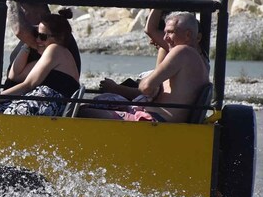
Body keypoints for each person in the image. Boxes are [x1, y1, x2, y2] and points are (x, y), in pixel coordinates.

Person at [81, 11, 209, 122]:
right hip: (157, 117)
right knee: (98, 103)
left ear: (188, 35)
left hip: (153, 120)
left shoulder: (182, 51)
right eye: (165, 32)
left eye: (170, 32)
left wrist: (148, 85)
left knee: (82, 112)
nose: (165, 38)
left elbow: (146, 87)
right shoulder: (198, 59)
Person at [0, 9, 80, 116]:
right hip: (45, 103)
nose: (38, 40)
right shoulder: (53, 59)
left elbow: (28, 85)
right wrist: (27, 44)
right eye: (36, 34)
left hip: (49, 104)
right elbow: (14, 75)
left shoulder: (55, 49)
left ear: (59, 37)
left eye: (43, 36)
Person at [0, 0, 82, 88]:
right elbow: (14, 75)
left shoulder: (52, 38)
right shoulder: (40, 35)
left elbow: (19, 29)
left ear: (37, 11)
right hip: (23, 97)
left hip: (35, 99)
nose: (20, 15)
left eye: (21, 11)